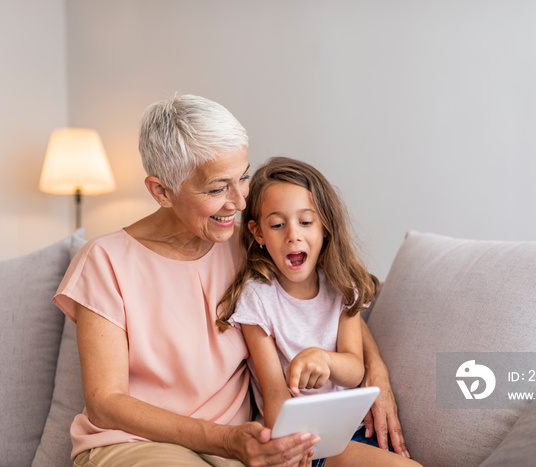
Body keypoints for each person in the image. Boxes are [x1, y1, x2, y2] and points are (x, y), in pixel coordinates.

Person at [53, 94, 407, 466]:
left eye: (243, 178)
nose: (239, 202)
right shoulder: (105, 261)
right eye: (218, 188)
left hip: (241, 449)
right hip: (136, 444)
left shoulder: (253, 241)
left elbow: (327, 302)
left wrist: (376, 373)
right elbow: (105, 403)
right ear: (161, 191)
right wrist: (227, 440)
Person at [216, 157, 420, 467]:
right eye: (277, 224)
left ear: (325, 226)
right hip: (307, 444)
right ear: (258, 234)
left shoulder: (341, 286)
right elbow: (274, 396)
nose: (292, 235)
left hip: (354, 430)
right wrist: (292, 449)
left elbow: (355, 371)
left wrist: (324, 359)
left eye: (306, 221)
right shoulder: (257, 300)